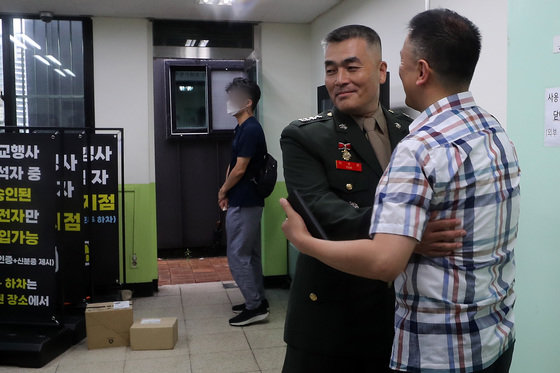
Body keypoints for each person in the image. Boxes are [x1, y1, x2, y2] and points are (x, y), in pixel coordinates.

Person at [281, 9, 520, 373]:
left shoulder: (411, 131)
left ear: (382, 71)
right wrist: (407, 236)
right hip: (332, 318)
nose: (339, 79)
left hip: (396, 319)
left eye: (351, 67)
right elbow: (320, 212)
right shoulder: (304, 135)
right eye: (331, 70)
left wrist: (401, 239)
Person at [219, 78, 269, 326]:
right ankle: (257, 298)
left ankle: (255, 306)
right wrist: (226, 190)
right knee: (249, 253)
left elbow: (240, 169)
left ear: (248, 102)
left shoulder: (250, 129)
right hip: (241, 197)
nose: (229, 102)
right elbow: (233, 163)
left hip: (247, 199)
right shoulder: (241, 128)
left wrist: (222, 190)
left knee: (238, 254)